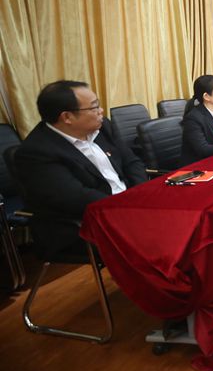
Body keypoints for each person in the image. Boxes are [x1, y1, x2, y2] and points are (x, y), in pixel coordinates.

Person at [14, 80, 147, 257]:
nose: (101, 111)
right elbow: (76, 197)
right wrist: (128, 208)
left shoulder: (103, 127)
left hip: (128, 205)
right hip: (84, 224)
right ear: (67, 117)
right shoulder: (37, 152)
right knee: (159, 236)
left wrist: (140, 195)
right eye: (94, 107)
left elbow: (132, 162)